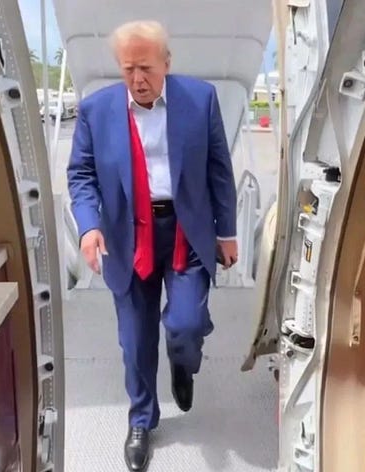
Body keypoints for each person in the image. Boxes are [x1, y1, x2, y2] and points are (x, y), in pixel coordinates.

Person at [67, 20, 238, 472]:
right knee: (135, 341)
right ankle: (141, 420)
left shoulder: (200, 99)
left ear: (167, 62)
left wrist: (227, 232)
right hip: (127, 236)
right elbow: (81, 174)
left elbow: (219, 169)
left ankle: (183, 361)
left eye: (146, 67)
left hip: (186, 231)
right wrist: (88, 227)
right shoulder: (96, 110)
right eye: (128, 69)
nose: (138, 79)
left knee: (185, 325)